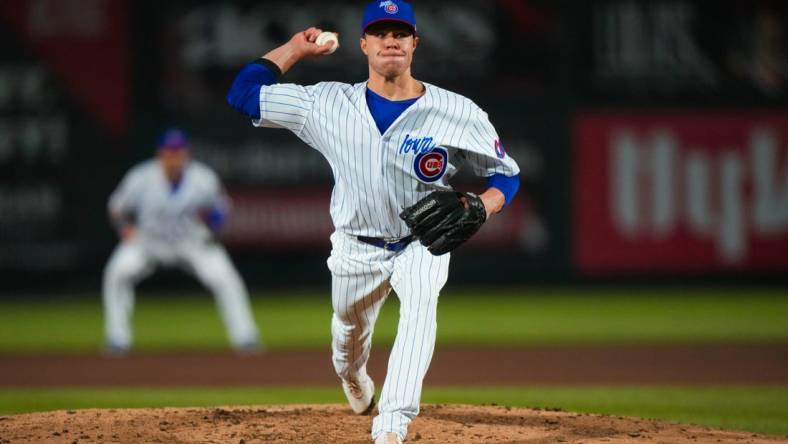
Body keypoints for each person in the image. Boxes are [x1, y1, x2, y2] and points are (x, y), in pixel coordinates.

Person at [226, 1, 520, 443]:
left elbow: (506, 175)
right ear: (363, 43)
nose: (391, 41)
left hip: (422, 240)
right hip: (355, 247)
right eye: (380, 33)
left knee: (421, 307)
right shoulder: (326, 103)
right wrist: (293, 48)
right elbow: (243, 94)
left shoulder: (457, 111)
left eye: (400, 33)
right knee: (347, 338)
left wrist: (484, 205)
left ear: (414, 43)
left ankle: (392, 425)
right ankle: (354, 376)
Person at [102, 128, 260, 356]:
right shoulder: (141, 178)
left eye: (178, 152)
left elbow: (221, 209)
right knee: (117, 273)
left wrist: (214, 226)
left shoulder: (203, 178)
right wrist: (124, 228)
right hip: (148, 242)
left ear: (187, 153)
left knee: (226, 279)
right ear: (160, 153)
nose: (174, 157)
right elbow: (116, 208)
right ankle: (117, 338)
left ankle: (245, 337)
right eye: (170, 152)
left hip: (191, 242)